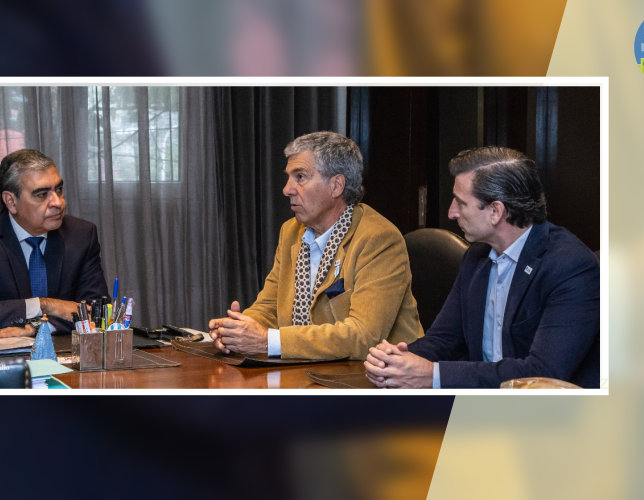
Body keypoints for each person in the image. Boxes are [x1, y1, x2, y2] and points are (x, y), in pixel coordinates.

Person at [364, 147, 600, 388]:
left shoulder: (571, 267)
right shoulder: (477, 256)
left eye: (461, 203)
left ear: (495, 211)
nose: (451, 213)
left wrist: (433, 375)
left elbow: (542, 373)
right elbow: (444, 339)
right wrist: (395, 360)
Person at [208, 131, 423, 360]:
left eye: (300, 177)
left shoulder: (379, 239)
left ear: (336, 186)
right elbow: (270, 307)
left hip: (378, 378)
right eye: (289, 177)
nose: (287, 189)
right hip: (309, 370)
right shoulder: (290, 232)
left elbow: (363, 337)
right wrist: (237, 330)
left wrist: (267, 341)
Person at [0, 149, 108, 335]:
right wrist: (45, 305)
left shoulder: (81, 235)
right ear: (11, 202)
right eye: (42, 194)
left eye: (59, 190)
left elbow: (98, 314)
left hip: (63, 354)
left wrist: (34, 329)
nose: (58, 202)